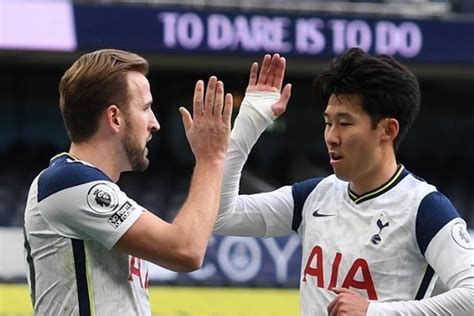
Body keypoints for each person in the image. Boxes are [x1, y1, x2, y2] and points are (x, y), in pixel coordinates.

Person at [214, 49, 474, 315]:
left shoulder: (424, 208)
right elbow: (218, 216)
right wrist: (248, 123)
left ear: (388, 130)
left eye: (345, 123)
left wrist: (373, 312)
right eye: (328, 123)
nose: (331, 137)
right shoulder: (314, 196)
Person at [23, 49, 233, 315]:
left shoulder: (85, 185)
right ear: (115, 117)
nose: (154, 123)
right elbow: (186, 249)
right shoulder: (67, 181)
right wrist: (211, 158)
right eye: (145, 108)